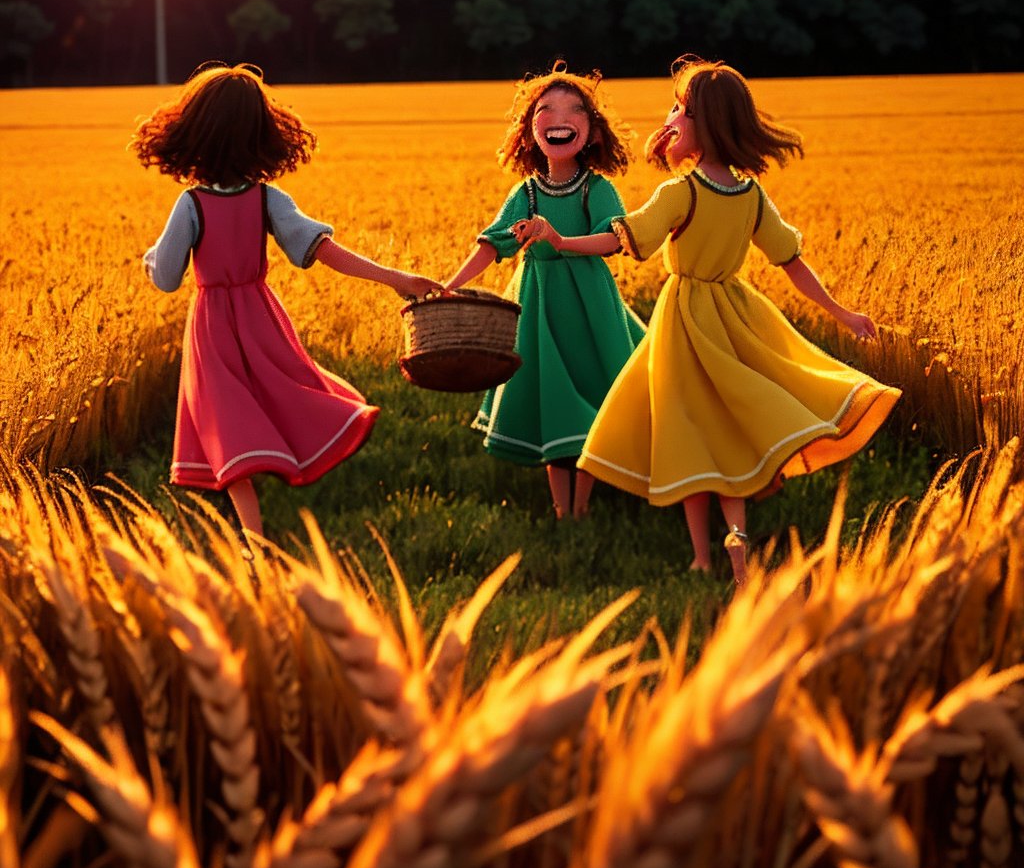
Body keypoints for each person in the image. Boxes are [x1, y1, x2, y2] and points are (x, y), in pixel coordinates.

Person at [513, 56, 901, 580]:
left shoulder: (683, 192)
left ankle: (703, 557)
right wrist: (840, 312)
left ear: (707, 122)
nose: (670, 117)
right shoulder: (750, 194)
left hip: (686, 323)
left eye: (680, 108)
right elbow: (791, 260)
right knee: (725, 430)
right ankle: (734, 550)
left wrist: (561, 240)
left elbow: (625, 239)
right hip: (738, 316)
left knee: (689, 431)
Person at [132, 62, 438, 538]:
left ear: (194, 130)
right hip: (260, 318)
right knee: (282, 393)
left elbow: (168, 278)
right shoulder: (267, 197)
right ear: (262, 133)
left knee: (227, 418)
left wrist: (150, 259)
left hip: (212, 327)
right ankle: (264, 528)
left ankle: (253, 549)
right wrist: (397, 277)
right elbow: (323, 250)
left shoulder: (190, 204)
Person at [444, 64, 645, 520]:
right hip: (538, 306)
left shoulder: (597, 188)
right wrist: (449, 287)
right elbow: (492, 244)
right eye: (546, 109)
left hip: (591, 304)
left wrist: (559, 241)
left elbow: (614, 239)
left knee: (598, 391)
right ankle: (564, 513)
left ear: (593, 132)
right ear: (529, 131)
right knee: (553, 395)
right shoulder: (527, 193)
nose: (561, 117)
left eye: (576, 110)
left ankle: (585, 505)